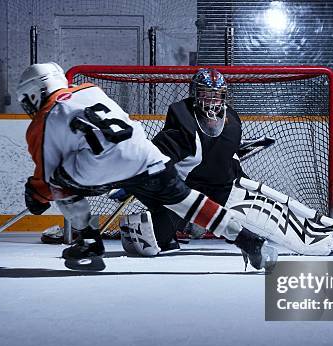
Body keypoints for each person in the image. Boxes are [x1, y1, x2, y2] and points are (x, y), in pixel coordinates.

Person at [16, 62, 280, 270]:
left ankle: (88, 241)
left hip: (103, 168)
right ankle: (247, 239)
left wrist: (36, 196)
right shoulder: (89, 89)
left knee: (58, 181)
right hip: (146, 155)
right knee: (188, 201)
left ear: (36, 93)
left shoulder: (42, 122)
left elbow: (46, 180)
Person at [118, 68, 333, 257]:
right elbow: (159, 159)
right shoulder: (183, 121)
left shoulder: (231, 120)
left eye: (216, 95)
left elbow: (226, 154)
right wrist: (133, 181)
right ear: (194, 94)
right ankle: (174, 228)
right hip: (187, 195)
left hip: (224, 190)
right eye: (205, 94)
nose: (211, 100)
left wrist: (241, 168)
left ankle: (323, 235)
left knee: (273, 215)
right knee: (150, 240)